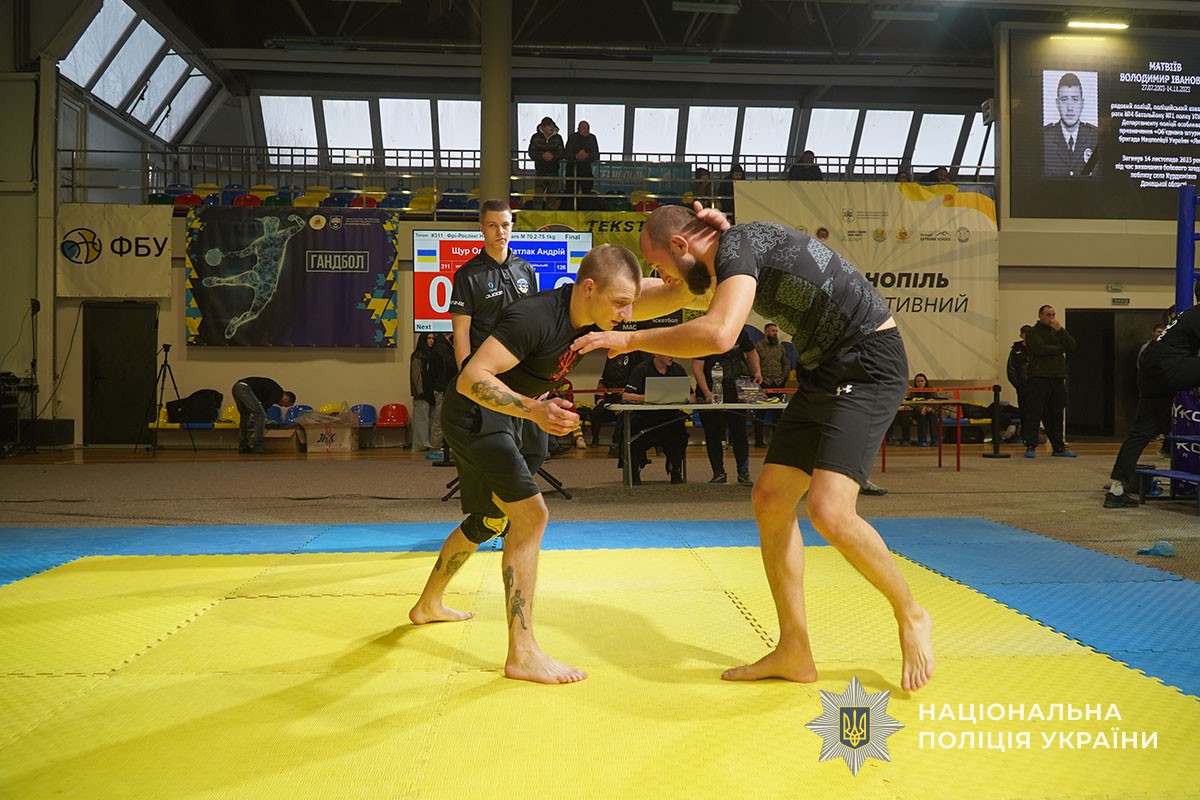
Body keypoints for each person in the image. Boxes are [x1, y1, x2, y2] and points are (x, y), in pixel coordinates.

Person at [573, 204, 934, 691]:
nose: (662, 277)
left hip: (867, 362)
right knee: (770, 499)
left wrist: (629, 340)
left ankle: (911, 613)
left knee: (830, 510)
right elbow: (662, 296)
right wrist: (586, 310)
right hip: (823, 369)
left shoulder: (738, 246)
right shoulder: (722, 258)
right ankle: (795, 650)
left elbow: (719, 334)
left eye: (659, 265)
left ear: (681, 245)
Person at [409, 243, 642, 684]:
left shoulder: (603, 306)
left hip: (515, 415)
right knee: (531, 515)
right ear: (588, 288)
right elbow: (471, 378)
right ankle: (523, 653)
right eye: (620, 303)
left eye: (631, 303)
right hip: (476, 413)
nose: (627, 314)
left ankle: (428, 605)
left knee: (490, 520)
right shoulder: (535, 317)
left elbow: (672, 295)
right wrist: (534, 409)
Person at [449, 198, 545, 465]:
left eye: (505, 225)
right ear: (481, 228)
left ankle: (516, 491)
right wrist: (467, 378)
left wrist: (542, 375)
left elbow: (535, 325)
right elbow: (461, 333)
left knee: (536, 451)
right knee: (500, 448)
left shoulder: (525, 269)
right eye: (492, 225)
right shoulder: (467, 274)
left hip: (523, 371)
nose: (500, 232)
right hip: (489, 374)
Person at [1106, 292, 1200, 508]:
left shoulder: (1187, 315)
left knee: (1141, 432)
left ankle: (1116, 490)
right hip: (1169, 366)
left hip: (1151, 369)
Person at [694, 329, 760, 484]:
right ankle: (718, 473)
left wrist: (757, 371)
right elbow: (697, 368)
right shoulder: (703, 334)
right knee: (713, 433)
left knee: (739, 432)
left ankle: (743, 473)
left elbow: (752, 352)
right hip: (710, 386)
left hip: (735, 387)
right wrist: (707, 393)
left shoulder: (740, 331)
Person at [621, 353, 692, 485]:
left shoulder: (678, 369)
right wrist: (649, 397)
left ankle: (675, 469)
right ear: (656, 353)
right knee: (634, 431)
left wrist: (679, 397)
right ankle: (635, 470)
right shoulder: (641, 369)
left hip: (669, 417)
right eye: (667, 353)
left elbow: (691, 396)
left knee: (680, 433)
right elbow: (626, 396)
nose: (672, 356)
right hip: (645, 417)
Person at [1022, 305, 1077, 458]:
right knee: (1035, 412)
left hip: (1057, 377)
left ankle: (1058, 447)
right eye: (1048, 315)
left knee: (1057, 413)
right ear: (1040, 316)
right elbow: (1040, 349)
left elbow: (1072, 346)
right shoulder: (1033, 333)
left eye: (1053, 314)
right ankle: (1030, 446)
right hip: (1039, 377)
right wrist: (1061, 348)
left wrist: (1061, 331)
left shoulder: (1058, 332)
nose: (1051, 318)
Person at [1043, 72, 1099, 178]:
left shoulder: (1096, 138)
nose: (1070, 108)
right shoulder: (1044, 139)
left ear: (1082, 103)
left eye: (1075, 100)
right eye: (1064, 100)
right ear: (1057, 103)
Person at [590, 350, 647, 453]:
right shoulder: (605, 379)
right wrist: (606, 405)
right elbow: (598, 397)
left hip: (625, 406)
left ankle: (616, 445)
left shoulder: (631, 380)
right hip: (608, 405)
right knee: (595, 413)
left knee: (624, 417)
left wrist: (621, 407)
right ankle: (595, 439)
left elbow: (632, 397)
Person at [231, 376, 294, 454]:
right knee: (260, 416)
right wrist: (265, 422)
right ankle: (258, 447)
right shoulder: (278, 393)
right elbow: (264, 407)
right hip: (245, 388)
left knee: (245, 416)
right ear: (286, 399)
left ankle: (243, 446)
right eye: (284, 405)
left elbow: (262, 406)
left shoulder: (272, 391)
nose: (281, 406)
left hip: (237, 387)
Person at [753, 322, 790, 447]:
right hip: (764, 383)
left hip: (779, 383)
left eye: (776, 331)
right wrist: (758, 377)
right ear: (766, 332)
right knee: (760, 413)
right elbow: (752, 363)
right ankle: (759, 441)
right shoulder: (758, 347)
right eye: (773, 331)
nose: (775, 333)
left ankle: (777, 441)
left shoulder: (780, 347)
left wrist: (784, 376)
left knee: (778, 413)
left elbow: (786, 363)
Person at [528, 116, 565, 209]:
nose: (551, 127)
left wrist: (553, 156)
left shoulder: (558, 138)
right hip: (540, 170)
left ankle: (550, 214)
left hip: (553, 170)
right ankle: (537, 213)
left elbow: (562, 153)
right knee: (538, 195)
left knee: (552, 195)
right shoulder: (536, 138)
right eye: (549, 126)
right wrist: (542, 156)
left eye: (552, 125)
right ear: (543, 127)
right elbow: (532, 153)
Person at [409, 333, 437, 451]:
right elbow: (416, 375)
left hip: (432, 392)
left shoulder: (433, 355)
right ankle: (421, 444)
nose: (431, 341)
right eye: (429, 338)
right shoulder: (417, 356)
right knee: (422, 420)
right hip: (422, 394)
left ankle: (430, 442)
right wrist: (420, 392)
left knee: (432, 419)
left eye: (433, 338)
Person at [1005, 325, 1032, 443]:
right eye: (1025, 334)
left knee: (1036, 412)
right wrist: (1018, 385)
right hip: (1022, 386)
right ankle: (1025, 436)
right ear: (1021, 335)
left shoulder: (1037, 348)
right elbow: (1011, 370)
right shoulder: (1016, 350)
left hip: (1037, 386)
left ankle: (1034, 435)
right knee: (1024, 412)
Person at [564, 120, 600, 202]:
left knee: (587, 194)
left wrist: (587, 155)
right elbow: (566, 154)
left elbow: (596, 155)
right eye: (584, 128)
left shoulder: (592, 138)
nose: (586, 130)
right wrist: (576, 156)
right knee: (570, 194)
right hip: (572, 170)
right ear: (578, 129)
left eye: (588, 128)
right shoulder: (572, 138)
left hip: (586, 171)